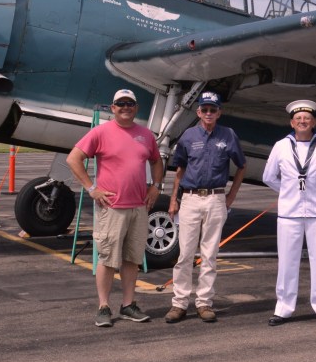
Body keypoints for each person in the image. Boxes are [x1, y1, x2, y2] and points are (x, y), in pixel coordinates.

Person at [67, 88, 165, 328]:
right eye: (120, 104)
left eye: (130, 104)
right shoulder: (100, 132)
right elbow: (73, 159)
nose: (125, 107)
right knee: (108, 258)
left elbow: (156, 160)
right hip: (112, 207)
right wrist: (92, 189)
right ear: (113, 108)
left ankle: (128, 304)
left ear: (136, 108)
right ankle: (103, 306)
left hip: (139, 207)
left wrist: (156, 187)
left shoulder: (146, 135)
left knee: (132, 258)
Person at [262, 100, 316, 328]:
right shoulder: (281, 146)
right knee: (287, 262)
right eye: (298, 118)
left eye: (307, 118)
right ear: (292, 122)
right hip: (289, 214)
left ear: (314, 122)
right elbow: (269, 177)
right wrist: (288, 192)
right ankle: (283, 308)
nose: (303, 121)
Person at [165, 90, 246, 323]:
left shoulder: (228, 135)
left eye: (213, 109)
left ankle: (204, 303)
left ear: (219, 112)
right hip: (190, 198)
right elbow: (179, 169)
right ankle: (179, 303)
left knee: (210, 254)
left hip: (215, 198)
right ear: (198, 111)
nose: (209, 113)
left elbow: (241, 166)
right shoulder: (189, 136)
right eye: (205, 109)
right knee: (185, 254)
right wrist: (174, 199)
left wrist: (230, 196)